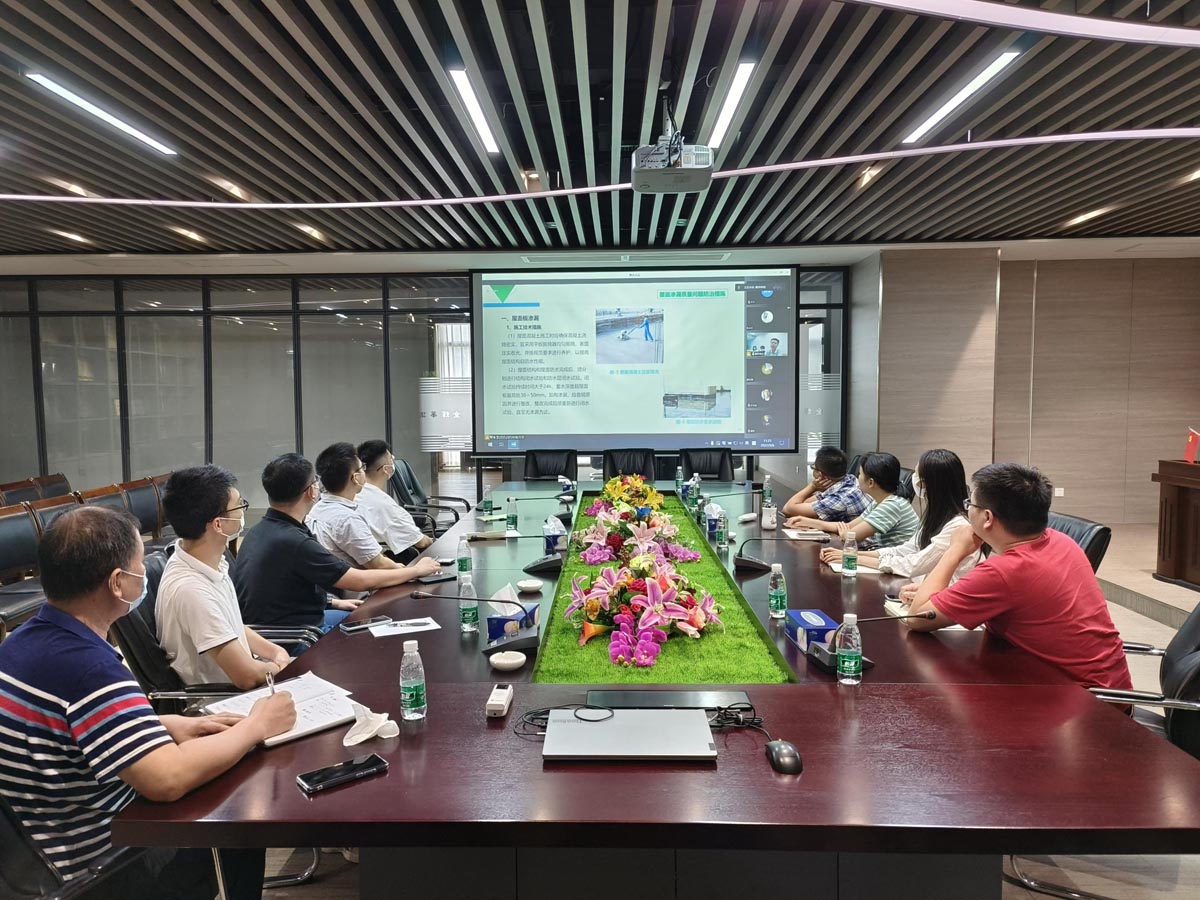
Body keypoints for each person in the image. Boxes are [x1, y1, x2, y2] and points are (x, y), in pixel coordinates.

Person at [0, 506, 296, 900]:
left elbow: (66, 730)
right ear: (117, 582)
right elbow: (166, 780)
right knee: (238, 811)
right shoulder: (90, 668)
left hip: (38, 849)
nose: (144, 573)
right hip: (102, 866)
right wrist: (257, 725)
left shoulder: (21, 642)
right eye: (140, 565)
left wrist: (162, 726)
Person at [901, 464, 1132, 690]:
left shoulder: (1004, 571)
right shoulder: (1062, 541)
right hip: (1109, 685)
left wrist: (955, 549)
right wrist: (942, 595)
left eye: (970, 503)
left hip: (1085, 700)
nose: (967, 509)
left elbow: (917, 618)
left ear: (987, 517)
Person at [233, 453, 439, 632]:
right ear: (311, 492)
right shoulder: (293, 540)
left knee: (371, 615)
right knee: (388, 625)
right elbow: (359, 581)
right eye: (315, 482)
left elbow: (283, 588)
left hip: (287, 622)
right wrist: (416, 570)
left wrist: (332, 602)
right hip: (298, 634)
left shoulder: (260, 531)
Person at [157, 466, 291, 690]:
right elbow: (246, 676)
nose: (243, 511)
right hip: (225, 699)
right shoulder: (192, 591)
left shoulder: (205, 560)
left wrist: (275, 651)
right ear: (218, 524)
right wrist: (279, 668)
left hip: (249, 683)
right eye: (239, 506)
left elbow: (230, 627)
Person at [819, 449, 980, 582]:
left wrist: (854, 557)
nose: (915, 481)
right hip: (918, 587)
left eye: (918, 477)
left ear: (930, 484)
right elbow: (906, 550)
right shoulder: (935, 517)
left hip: (941, 597)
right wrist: (851, 554)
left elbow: (913, 565)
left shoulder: (958, 526)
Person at [786, 451, 919, 548]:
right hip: (881, 556)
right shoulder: (879, 501)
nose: (857, 477)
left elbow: (851, 536)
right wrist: (808, 522)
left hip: (894, 565)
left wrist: (846, 533)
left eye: (860, 474)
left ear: (871, 482)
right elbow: (849, 526)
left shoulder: (892, 505)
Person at [355, 439, 433, 562]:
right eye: (391, 459)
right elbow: (420, 542)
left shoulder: (354, 493)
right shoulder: (383, 504)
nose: (394, 462)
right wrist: (433, 541)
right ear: (386, 469)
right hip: (388, 560)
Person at [781, 446, 870, 522]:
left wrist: (812, 486)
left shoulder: (840, 499)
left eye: (813, 467)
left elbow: (788, 509)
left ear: (820, 474)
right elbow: (802, 504)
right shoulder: (849, 479)